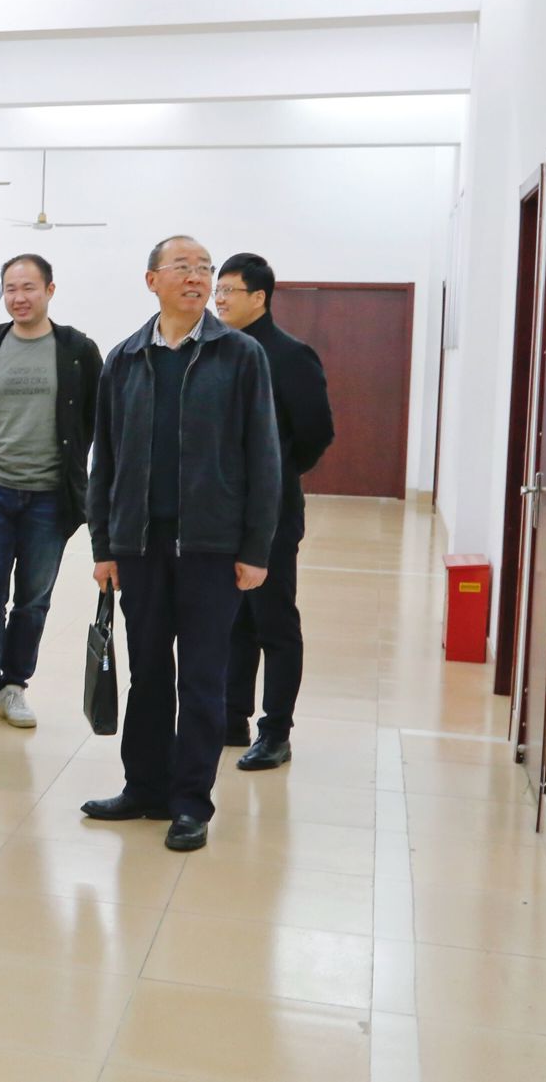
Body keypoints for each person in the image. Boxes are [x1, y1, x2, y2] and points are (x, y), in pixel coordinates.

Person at [82, 235, 281, 852]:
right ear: (152, 281)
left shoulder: (240, 355)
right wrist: (103, 545)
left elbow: (264, 456)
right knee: (147, 674)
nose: (196, 278)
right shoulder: (124, 358)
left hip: (211, 548)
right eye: (183, 267)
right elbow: (104, 459)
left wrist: (256, 549)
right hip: (138, 547)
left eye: (204, 269)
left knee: (201, 678)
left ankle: (191, 801)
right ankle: (143, 787)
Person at [0, 253, 102, 730]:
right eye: (11, 289)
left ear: (49, 290)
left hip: (49, 497)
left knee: (34, 598)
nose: (19, 298)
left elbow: (93, 419)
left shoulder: (77, 349)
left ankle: (14, 685)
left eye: (29, 288)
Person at [215, 253, 334, 771]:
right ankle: (231, 717)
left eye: (229, 291)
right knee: (233, 619)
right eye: (217, 291)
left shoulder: (290, 355)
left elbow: (316, 433)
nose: (219, 300)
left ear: (259, 297)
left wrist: (277, 472)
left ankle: (276, 731)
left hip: (273, 512)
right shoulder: (219, 351)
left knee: (273, 621)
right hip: (223, 512)